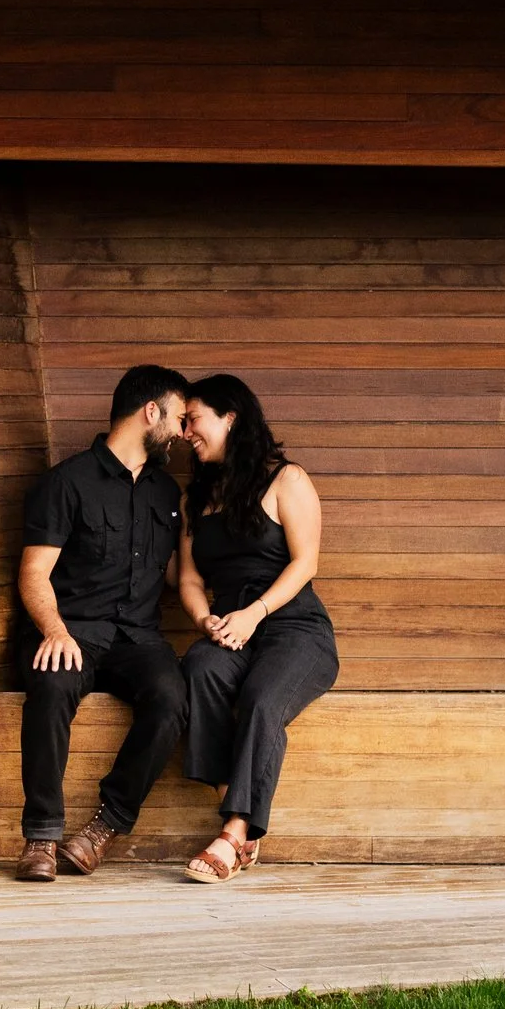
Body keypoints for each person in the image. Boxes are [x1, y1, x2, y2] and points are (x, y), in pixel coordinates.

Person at [11, 364, 194, 882]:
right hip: (73, 630)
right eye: (179, 418)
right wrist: (54, 630)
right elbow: (33, 572)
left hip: (138, 638)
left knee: (173, 697)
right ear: (150, 412)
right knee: (50, 683)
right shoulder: (66, 483)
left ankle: (103, 828)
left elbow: (180, 575)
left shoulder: (166, 493)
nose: (183, 433)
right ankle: (41, 837)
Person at [174, 373, 338, 882]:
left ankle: (233, 833)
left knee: (263, 700)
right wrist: (205, 619)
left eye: (193, 419)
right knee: (199, 667)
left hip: (294, 626)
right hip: (229, 626)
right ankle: (236, 810)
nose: (185, 432)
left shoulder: (287, 480)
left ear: (231, 418)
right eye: (181, 423)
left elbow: (305, 562)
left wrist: (254, 613)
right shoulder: (195, 498)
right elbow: (189, 576)